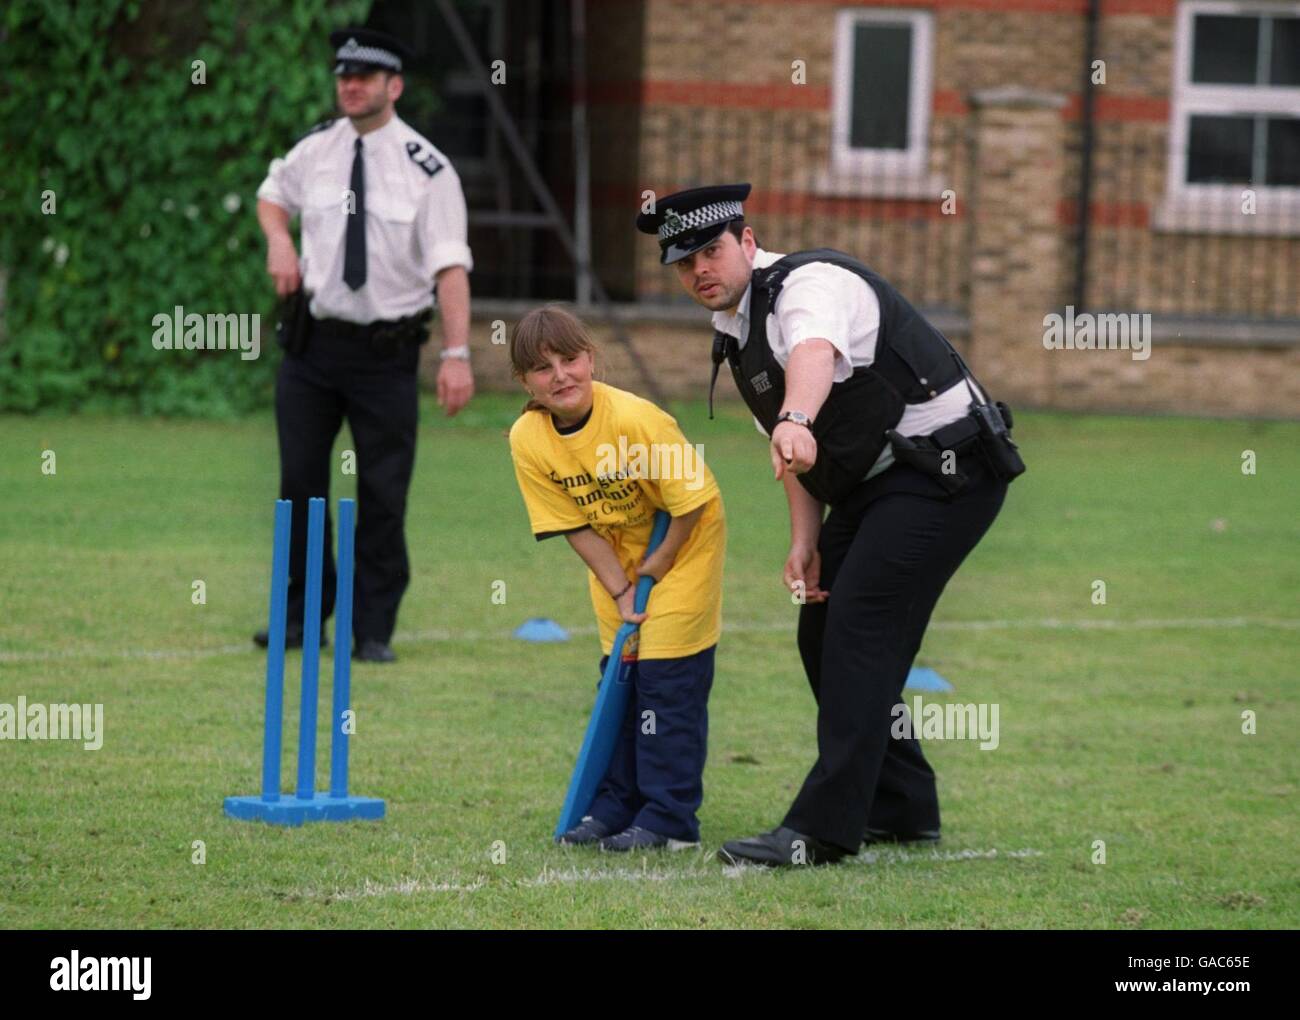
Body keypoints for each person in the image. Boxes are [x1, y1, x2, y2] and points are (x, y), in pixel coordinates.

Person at [636, 184, 1022, 867]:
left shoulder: (808, 286)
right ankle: (902, 805)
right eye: (683, 262)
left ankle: (822, 829)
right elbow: (790, 448)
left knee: (859, 631)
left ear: (747, 243)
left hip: (948, 472)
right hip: (880, 483)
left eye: (712, 251)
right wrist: (805, 539)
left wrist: (797, 416)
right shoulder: (734, 330)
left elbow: (811, 358)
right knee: (822, 631)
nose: (700, 270)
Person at [253, 27, 474, 662]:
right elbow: (272, 197)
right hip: (313, 350)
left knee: (381, 491)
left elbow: (450, 270)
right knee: (300, 484)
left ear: (393, 86)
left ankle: (370, 627)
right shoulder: (315, 149)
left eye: (364, 77)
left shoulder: (429, 170)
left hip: (386, 357)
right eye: (343, 75)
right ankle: (298, 617)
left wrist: (457, 356)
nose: (350, 85)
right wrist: (280, 240)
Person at [507, 306, 726, 852]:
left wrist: (661, 563)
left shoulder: (636, 419)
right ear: (523, 381)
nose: (560, 375)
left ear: (592, 359)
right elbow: (573, 524)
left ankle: (670, 818)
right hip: (616, 555)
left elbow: (692, 500)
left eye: (570, 359)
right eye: (541, 368)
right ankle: (615, 804)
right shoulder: (528, 439)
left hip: (684, 541)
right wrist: (621, 588)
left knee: (666, 683)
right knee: (620, 679)